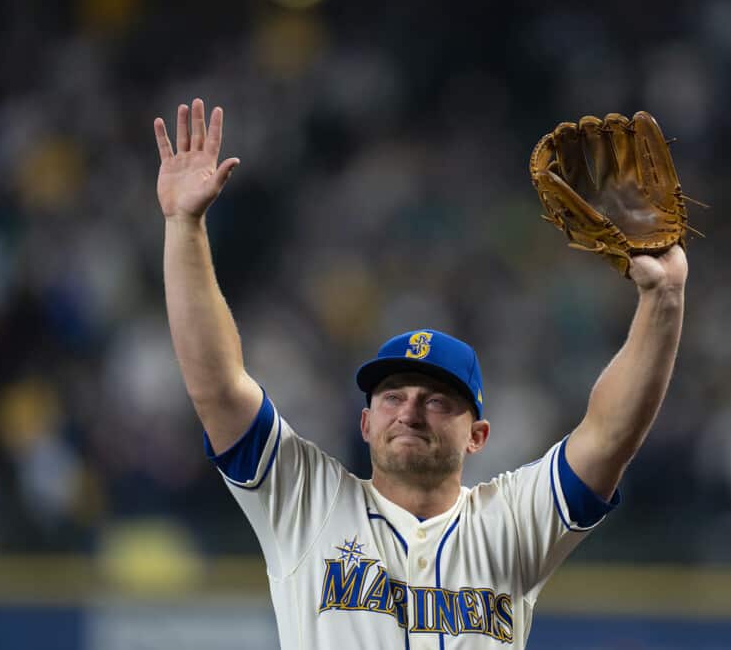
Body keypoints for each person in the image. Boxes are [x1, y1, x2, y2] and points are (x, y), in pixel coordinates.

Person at [153, 98, 688, 649]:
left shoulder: (511, 524)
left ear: (478, 435)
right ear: (364, 423)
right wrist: (183, 225)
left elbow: (609, 435)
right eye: (391, 396)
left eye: (437, 400)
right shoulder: (308, 505)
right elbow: (217, 387)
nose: (409, 411)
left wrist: (664, 296)